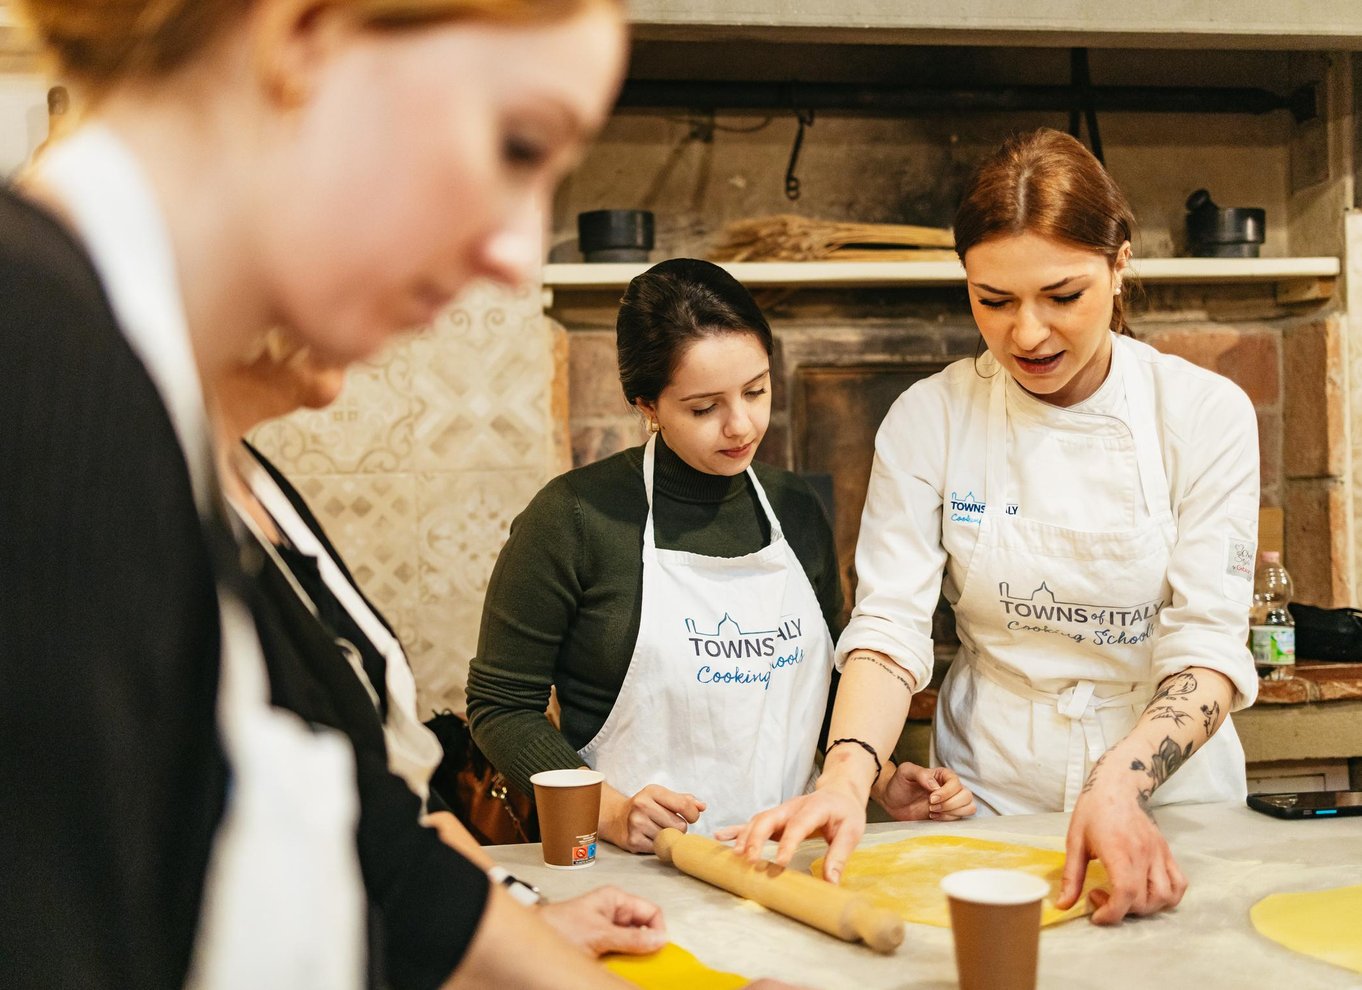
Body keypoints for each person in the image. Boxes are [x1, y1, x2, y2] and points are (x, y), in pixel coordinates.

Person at [0, 0, 677, 987]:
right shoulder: (43, 377)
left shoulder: (134, 396)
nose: (517, 254)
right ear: (304, 33)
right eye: (518, 143)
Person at [730, 128, 1260, 927]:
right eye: (994, 300)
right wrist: (844, 779)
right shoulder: (930, 418)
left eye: (1063, 296)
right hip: (989, 799)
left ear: (1119, 268)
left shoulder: (1203, 414)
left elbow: (1208, 647)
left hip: (1167, 801)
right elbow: (887, 627)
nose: (1028, 335)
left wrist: (1119, 787)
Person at [467, 258, 975, 853]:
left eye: (757, 390)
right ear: (646, 404)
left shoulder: (795, 508)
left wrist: (881, 778)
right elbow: (500, 707)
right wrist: (609, 811)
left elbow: (820, 688)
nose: (741, 426)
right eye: (704, 408)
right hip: (632, 867)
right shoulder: (574, 517)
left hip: (787, 856)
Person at [214, 336, 674, 967]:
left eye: (757, 393)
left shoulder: (257, 485)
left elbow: (399, 809)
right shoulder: (132, 499)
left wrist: (529, 914)